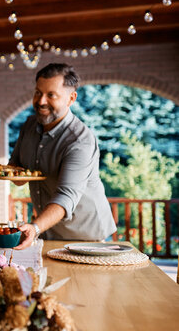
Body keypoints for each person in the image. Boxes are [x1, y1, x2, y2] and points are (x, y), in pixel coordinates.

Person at [9, 63, 116, 250]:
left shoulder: (80, 140)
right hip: (49, 232)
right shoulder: (28, 126)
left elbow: (66, 197)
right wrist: (11, 173)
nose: (41, 101)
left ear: (71, 98)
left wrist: (34, 227)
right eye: (38, 92)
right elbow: (16, 173)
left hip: (86, 238)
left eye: (51, 95)